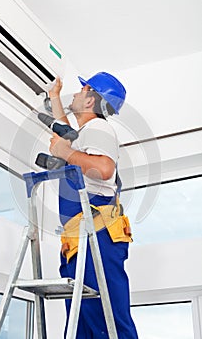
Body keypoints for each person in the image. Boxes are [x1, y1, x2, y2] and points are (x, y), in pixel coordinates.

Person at [49, 72, 138, 339]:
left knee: (105, 316)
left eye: (80, 90)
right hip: (83, 233)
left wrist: (64, 153)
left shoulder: (99, 128)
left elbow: (103, 168)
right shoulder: (86, 132)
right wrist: (54, 96)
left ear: (90, 98)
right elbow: (66, 134)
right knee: (85, 321)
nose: (75, 94)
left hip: (98, 231)